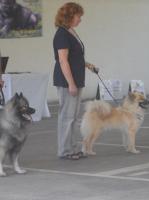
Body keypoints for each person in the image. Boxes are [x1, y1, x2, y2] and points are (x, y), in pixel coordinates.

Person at [53, 2, 98, 160]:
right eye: (78, 16)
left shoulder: (70, 32)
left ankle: (72, 148)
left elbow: (74, 57)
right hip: (67, 81)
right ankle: (65, 151)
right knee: (67, 117)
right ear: (69, 16)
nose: (80, 19)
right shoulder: (62, 34)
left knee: (73, 117)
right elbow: (63, 61)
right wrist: (71, 83)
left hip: (77, 79)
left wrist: (86, 64)